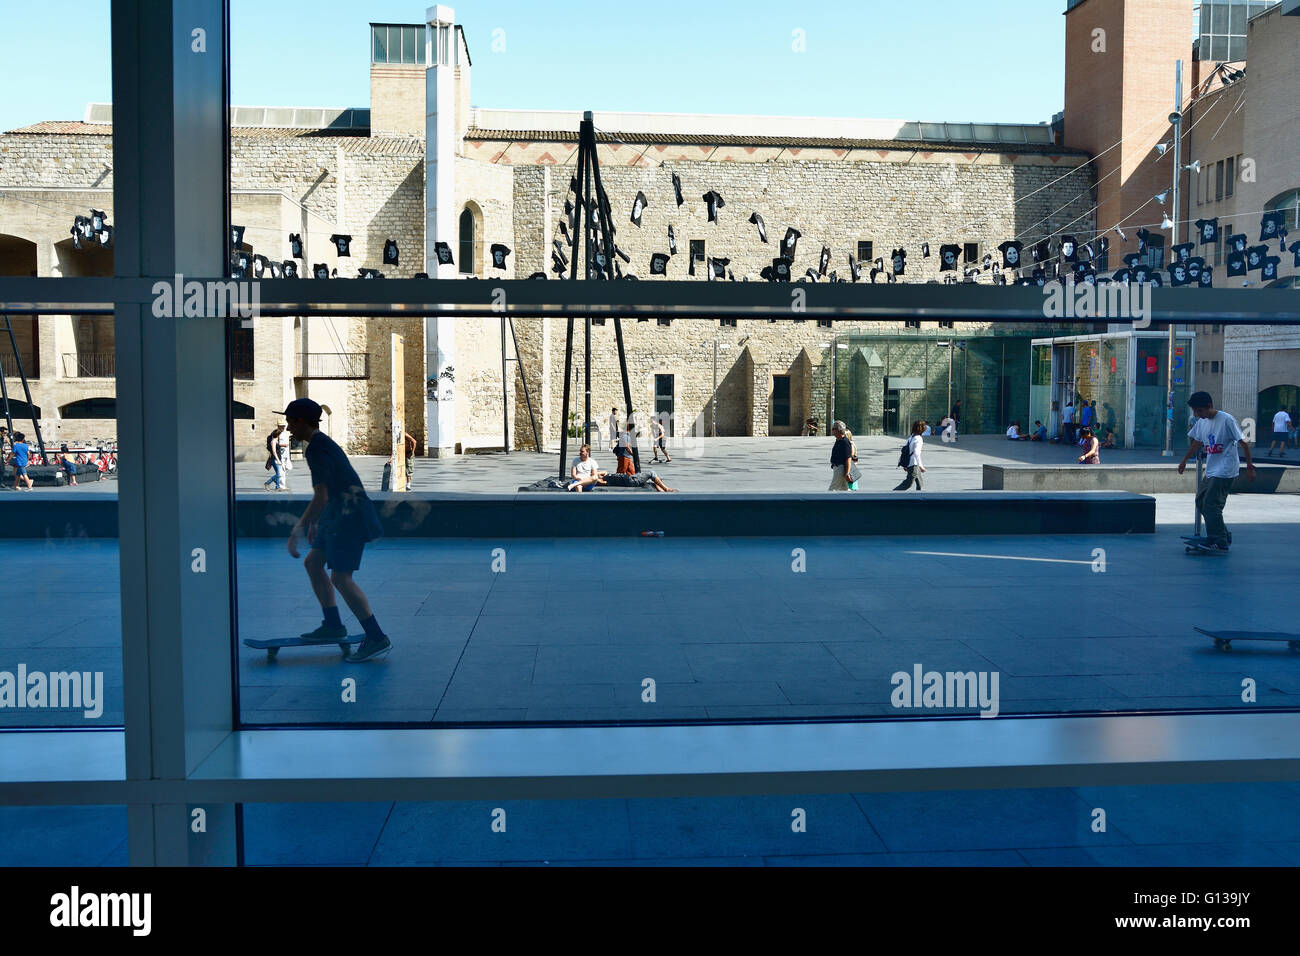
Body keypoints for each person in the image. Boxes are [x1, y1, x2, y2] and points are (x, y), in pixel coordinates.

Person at [282, 398, 390, 662]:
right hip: (338, 514)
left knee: (341, 578)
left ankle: (376, 637)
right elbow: (331, 489)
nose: (288, 429)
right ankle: (333, 625)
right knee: (313, 563)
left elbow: (321, 496)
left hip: (349, 517)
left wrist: (299, 527)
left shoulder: (316, 450)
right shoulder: (321, 445)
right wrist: (319, 521)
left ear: (302, 421)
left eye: (290, 422)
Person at [1177, 391, 1255, 552]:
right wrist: (1184, 460)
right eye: (1195, 411)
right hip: (1212, 469)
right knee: (1200, 501)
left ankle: (1219, 541)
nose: (1196, 414)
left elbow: (1244, 443)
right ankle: (1223, 534)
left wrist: (1249, 466)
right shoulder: (1202, 422)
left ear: (1209, 406)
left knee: (1212, 505)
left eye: (1199, 410)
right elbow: (1197, 442)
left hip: (1226, 469)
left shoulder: (1226, 419)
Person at [894, 420, 926, 491]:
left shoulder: (911, 438)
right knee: (909, 482)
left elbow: (905, 451)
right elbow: (917, 453)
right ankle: (894, 493)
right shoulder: (918, 439)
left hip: (910, 462)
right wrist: (921, 466)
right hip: (913, 463)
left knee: (919, 482)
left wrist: (905, 465)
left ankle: (920, 495)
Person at [828, 421, 853, 491]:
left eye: (833, 428)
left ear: (838, 430)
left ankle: (828, 501)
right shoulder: (838, 440)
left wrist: (847, 473)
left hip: (841, 468)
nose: (832, 430)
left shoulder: (845, 442)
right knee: (844, 489)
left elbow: (848, 458)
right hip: (838, 467)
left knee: (832, 489)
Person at [598, 470, 677, 492]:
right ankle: (666, 489)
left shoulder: (605, 475)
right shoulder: (605, 481)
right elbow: (602, 483)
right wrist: (596, 479)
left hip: (631, 477)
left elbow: (605, 471)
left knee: (648, 481)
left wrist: (595, 473)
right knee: (651, 473)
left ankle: (659, 488)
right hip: (631, 481)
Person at [264, 425, 285, 492]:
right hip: (275, 459)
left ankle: (277, 487)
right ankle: (267, 483)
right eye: (280, 434)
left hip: (278, 458)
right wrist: (278, 460)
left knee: (278, 473)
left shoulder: (276, 440)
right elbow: (274, 451)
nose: (280, 436)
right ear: (278, 434)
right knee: (279, 474)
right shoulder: (273, 441)